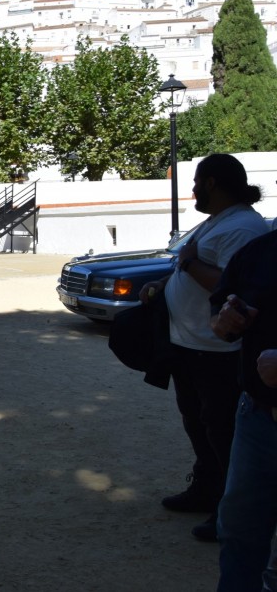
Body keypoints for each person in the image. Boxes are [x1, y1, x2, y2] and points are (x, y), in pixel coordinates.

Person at [138, 153, 269, 542]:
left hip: (218, 352)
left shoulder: (245, 228)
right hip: (191, 345)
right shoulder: (219, 221)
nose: (192, 189)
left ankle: (227, 510)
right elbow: (190, 268)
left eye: (196, 181)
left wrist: (191, 265)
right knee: (198, 423)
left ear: (211, 183)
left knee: (222, 432)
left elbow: (236, 289)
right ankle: (205, 489)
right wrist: (163, 286)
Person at [208, 225, 277, 590]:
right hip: (258, 419)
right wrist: (224, 321)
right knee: (238, 531)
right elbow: (219, 316)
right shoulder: (258, 252)